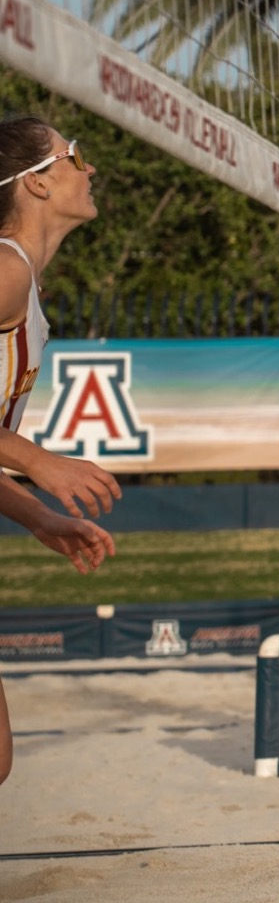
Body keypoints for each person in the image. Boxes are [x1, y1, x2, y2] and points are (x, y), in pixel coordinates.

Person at [0, 115, 119, 787]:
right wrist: (38, 460)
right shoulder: (5, 271)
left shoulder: (24, 284)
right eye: (75, 154)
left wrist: (37, 515)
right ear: (36, 184)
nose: (90, 165)